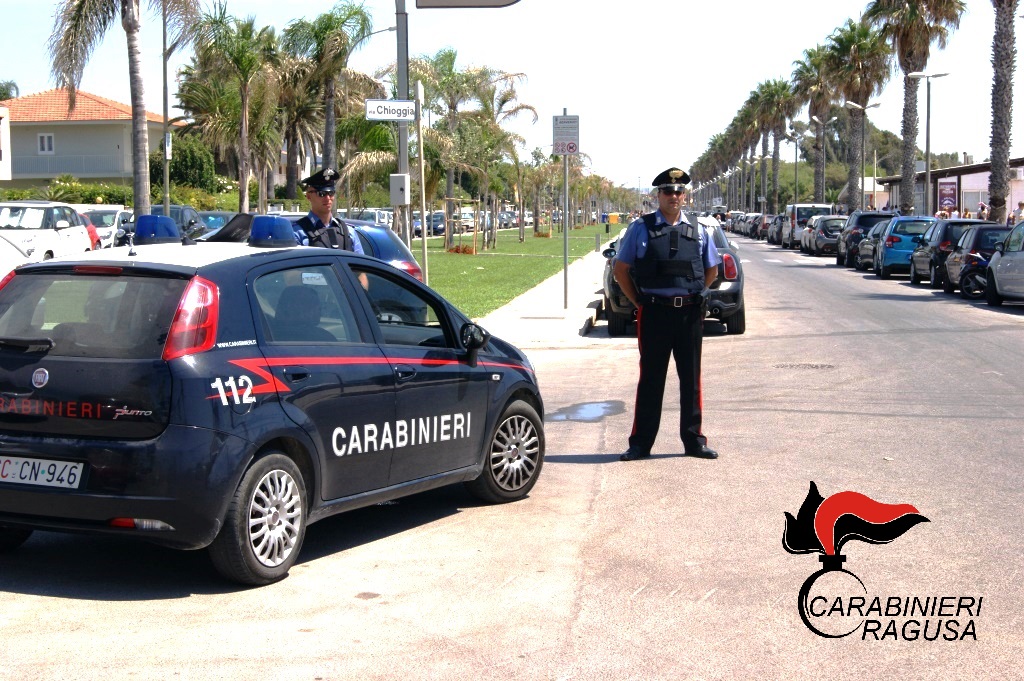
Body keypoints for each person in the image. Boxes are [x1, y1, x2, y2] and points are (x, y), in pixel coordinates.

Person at [612, 167, 721, 462]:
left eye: (678, 192)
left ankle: (694, 440)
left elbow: (712, 267)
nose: (674, 196)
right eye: (668, 191)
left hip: (689, 314)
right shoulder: (641, 227)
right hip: (654, 314)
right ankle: (640, 444)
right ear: (658, 195)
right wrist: (638, 301)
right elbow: (621, 269)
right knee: (650, 379)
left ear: (684, 196)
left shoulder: (699, 229)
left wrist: (700, 291)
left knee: (691, 379)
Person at [293, 167, 363, 254]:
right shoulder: (298, 233)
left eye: (331, 193)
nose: (327, 198)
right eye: (321, 194)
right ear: (308, 196)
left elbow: (360, 264)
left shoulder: (348, 231)